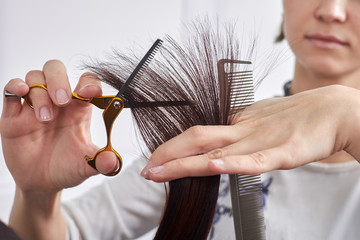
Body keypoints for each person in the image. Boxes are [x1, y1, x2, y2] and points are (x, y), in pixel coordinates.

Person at [2, 0, 360, 239]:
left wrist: (349, 116)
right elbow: (73, 232)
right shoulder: (207, 139)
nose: (331, 10)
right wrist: (36, 196)